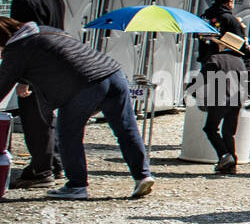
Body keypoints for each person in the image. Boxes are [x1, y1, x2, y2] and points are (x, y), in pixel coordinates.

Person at [0, 17, 153, 200]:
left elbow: (2, 84)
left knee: (68, 135)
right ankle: (142, 176)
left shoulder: (17, 48)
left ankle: (76, 185)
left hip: (86, 83)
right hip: (112, 73)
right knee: (126, 129)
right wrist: (24, 81)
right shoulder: (43, 31)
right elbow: (56, 57)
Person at [2, 0, 66, 189]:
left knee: (34, 119)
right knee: (47, 117)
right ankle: (56, 163)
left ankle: (41, 170)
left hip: (36, 68)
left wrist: (23, 78)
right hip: (57, 62)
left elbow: (26, 42)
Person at [197, 0, 250, 174]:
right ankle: (230, 160)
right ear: (229, 2)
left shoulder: (205, 17)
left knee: (212, 120)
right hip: (233, 69)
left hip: (211, 66)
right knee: (227, 126)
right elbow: (242, 43)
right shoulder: (231, 20)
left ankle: (227, 159)